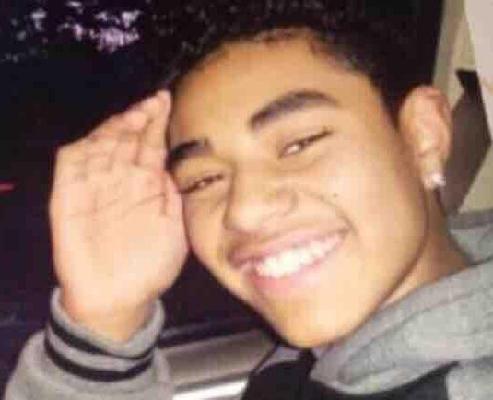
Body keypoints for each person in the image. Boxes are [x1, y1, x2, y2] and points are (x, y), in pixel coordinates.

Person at [5, 1, 493, 399]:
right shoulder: (310, 363)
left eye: (299, 144)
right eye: (203, 180)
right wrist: (104, 317)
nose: (243, 210)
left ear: (424, 135)